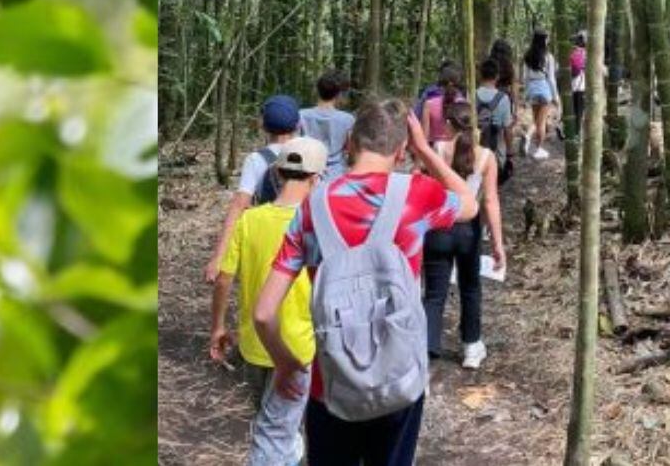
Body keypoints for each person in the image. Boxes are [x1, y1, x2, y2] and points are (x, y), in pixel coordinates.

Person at [252, 98, 479, 465]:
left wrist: (287, 365)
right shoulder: (418, 194)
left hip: (331, 384)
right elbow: (470, 203)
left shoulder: (311, 207)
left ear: (349, 143)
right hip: (399, 380)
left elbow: (263, 314)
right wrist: (425, 150)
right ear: (401, 150)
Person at [210, 137, 327, 466]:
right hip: (296, 349)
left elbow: (223, 278)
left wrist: (217, 327)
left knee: (274, 424)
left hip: (254, 344)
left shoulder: (249, 220)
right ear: (316, 178)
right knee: (274, 434)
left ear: (276, 174)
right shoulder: (317, 223)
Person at [421, 101, 505, 371]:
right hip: (469, 229)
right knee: (470, 287)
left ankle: (425, 353)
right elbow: (490, 201)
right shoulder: (486, 157)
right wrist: (497, 243)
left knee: (434, 293)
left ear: (448, 124)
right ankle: (471, 345)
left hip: (439, 225)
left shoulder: (437, 150)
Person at [205, 95, 301, 283]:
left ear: (262, 125)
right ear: (298, 125)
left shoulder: (256, 160)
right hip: (300, 235)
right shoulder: (309, 153)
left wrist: (218, 257)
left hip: (265, 236)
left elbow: (238, 206)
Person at [298, 70, 355, 179]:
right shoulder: (348, 120)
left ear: (318, 90)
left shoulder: (301, 115)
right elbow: (351, 151)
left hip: (308, 173)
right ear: (339, 94)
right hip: (337, 175)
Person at [522, 29, 559, 158]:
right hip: (544, 89)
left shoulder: (527, 56)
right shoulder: (548, 57)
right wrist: (555, 96)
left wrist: (525, 94)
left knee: (536, 120)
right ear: (543, 40)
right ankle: (536, 148)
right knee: (541, 122)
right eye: (547, 38)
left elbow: (525, 77)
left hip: (532, 89)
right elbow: (551, 79)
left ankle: (529, 140)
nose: (548, 40)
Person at [417, 61, 465, 147]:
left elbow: (424, 137)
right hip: (456, 151)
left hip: (433, 150)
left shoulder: (429, 103)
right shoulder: (464, 104)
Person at [570, 30, 589, 126]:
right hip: (582, 85)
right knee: (580, 111)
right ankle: (577, 130)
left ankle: (571, 128)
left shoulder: (572, 52)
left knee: (573, 109)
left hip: (572, 85)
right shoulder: (585, 54)